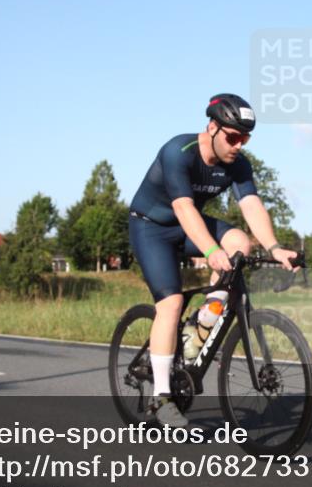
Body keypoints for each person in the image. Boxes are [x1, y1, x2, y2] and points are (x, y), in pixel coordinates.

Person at [128, 93, 299, 427]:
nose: (238, 145)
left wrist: (276, 247)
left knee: (240, 242)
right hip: (151, 227)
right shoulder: (178, 152)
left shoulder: (238, 164)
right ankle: (160, 399)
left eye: (245, 138)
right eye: (233, 137)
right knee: (172, 304)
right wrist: (210, 251)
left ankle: (200, 327)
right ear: (212, 127)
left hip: (186, 226)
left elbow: (251, 205)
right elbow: (183, 207)